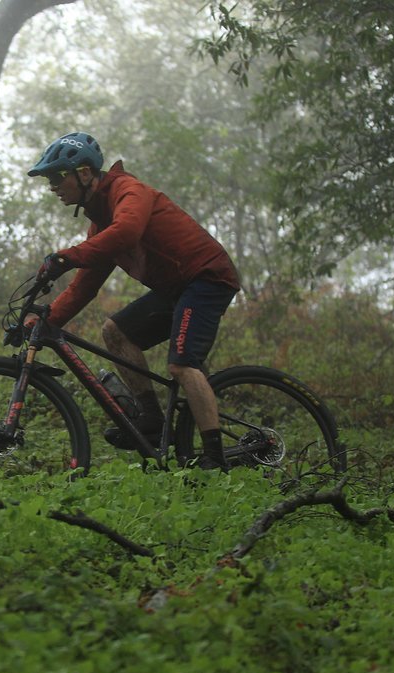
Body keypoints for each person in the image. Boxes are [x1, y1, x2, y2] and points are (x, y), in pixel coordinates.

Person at [28, 131, 241, 469]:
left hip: (206, 278)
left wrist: (66, 257)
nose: (52, 186)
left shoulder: (129, 191)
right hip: (176, 288)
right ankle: (153, 420)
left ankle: (215, 458)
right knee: (115, 332)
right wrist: (46, 320)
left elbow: (127, 231)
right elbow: (84, 287)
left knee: (182, 364)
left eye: (57, 177)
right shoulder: (101, 221)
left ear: (84, 173)